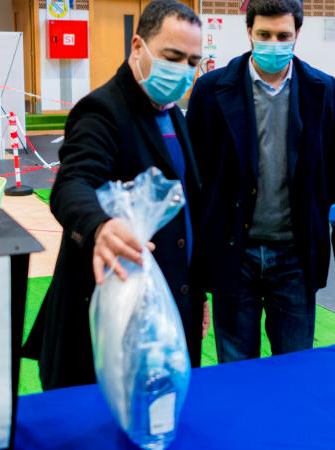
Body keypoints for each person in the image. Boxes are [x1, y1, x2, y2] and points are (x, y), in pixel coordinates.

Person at [23, 0, 207, 390]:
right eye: (173, 56)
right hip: (108, 314)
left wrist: (197, 294)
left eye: (193, 62)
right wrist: (100, 225)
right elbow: (72, 184)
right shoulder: (102, 110)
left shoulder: (173, 113)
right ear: (137, 47)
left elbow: (187, 207)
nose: (183, 71)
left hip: (165, 308)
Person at [186, 0, 335, 363]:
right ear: (248, 30)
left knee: (295, 367)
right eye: (264, 34)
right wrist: (195, 263)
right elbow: (194, 180)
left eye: (283, 35)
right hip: (234, 251)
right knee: (237, 370)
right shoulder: (211, 90)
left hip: (296, 255)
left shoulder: (322, 90)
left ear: (298, 33)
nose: (273, 43)